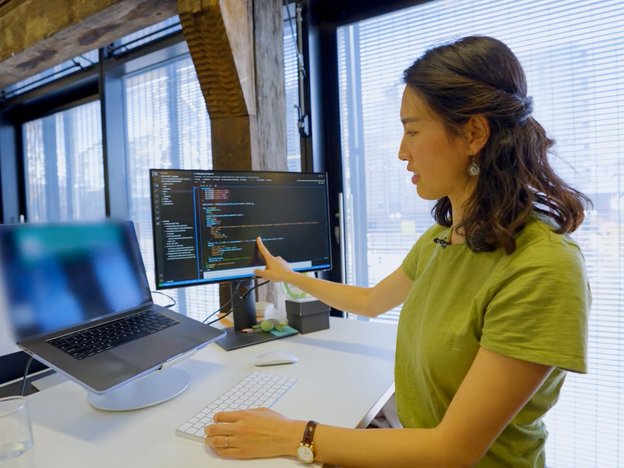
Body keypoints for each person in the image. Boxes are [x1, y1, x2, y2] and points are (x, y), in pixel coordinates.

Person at [204, 35, 591, 467]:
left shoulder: (543, 268)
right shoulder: (441, 241)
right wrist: (289, 276)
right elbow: (370, 302)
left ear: (474, 133)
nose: (402, 152)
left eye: (412, 131)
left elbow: (452, 451)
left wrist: (294, 434)